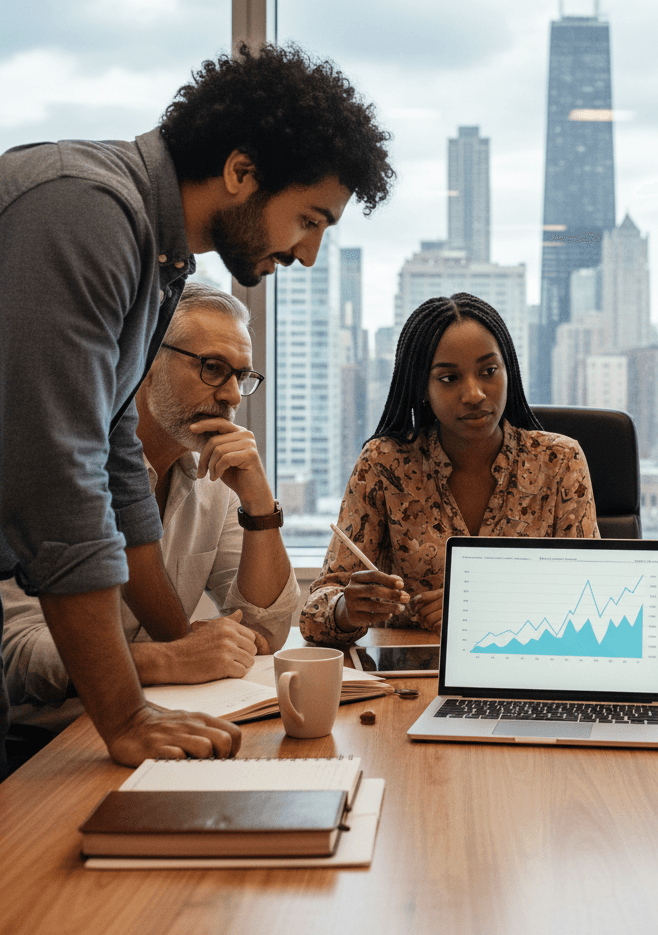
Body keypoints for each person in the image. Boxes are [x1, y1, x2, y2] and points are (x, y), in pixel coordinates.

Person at [0, 43, 394, 773]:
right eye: (309, 220)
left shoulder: (158, 258)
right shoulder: (86, 212)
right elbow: (59, 478)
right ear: (241, 172)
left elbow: (116, 454)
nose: (307, 255)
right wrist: (128, 713)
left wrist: (180, 643)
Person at [3, 282, 301, 741]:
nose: (233, 397)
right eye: (213, 368)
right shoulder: (64, 468)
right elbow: (18, 655)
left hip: (170, 727)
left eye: (242, 377)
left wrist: (259, 505)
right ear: (143, 359)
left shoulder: (215, 481)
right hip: (52, 747)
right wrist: (171, 658)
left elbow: (263, 629)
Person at [300, 293, 600, 646]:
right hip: (413, 672)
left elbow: (589, 597)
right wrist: (346, 610)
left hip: (527, 664)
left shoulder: (560, 461)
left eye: (489, 371)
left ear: (509, 371)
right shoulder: (384, 464)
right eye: (448, 378)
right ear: (422, 388)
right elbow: (315, 613)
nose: (473, 393)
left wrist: (484, 609)